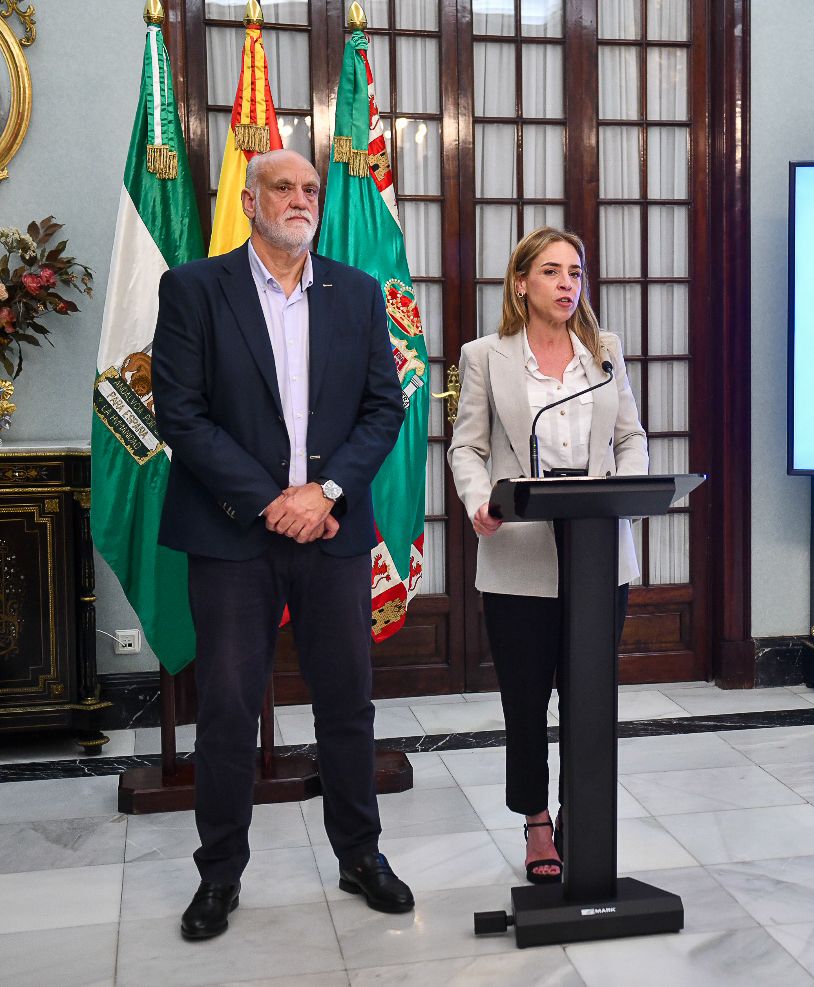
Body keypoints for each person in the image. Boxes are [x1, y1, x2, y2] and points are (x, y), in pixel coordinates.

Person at [152, 149, 414, 940]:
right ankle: (219, 873)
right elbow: (181, 412)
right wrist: (273, 503)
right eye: (283, 187)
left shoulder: (356, 292)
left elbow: (383, 407)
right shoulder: (194, 288)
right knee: (228, 709)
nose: (301, 199)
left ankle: (360, 853)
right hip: (231, 534)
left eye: (310, 189)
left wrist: (325, 493)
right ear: (249, 198)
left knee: (347, 703)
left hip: (332, 532)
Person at [448, 226, 648, 883]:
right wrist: (479, 499)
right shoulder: (486, 356)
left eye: (575, 272)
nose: (567, 284)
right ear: (521, 283)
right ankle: (536, 820)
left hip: (597, 554)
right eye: (552, 271)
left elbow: (630, 439)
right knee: (527, 700)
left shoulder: (604, 353)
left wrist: (624, 494)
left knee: (588, 697)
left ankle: (578, 813)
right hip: (519, 554)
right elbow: (467, 447)